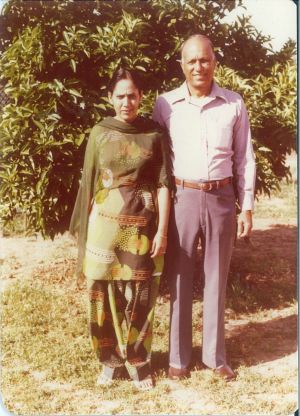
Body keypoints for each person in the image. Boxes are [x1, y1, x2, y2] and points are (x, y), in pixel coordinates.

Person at [153, 34, 256, 381]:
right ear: (181, 64)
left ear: (215, 62)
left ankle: (215, 357)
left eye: (205, 59)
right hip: (182, 198)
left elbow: (245, 157)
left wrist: (247, 206)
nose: (199, 66)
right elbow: (158, 160)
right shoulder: (165, 104)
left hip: (222, 199)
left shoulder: (233, 104)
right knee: (178, 278)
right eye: (192, 60)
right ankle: (178, 360)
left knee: (216, 278)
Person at [70, 68, 172, 390]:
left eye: (132, 95)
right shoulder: (99, 133)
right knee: (100, 293)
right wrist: (85, 234)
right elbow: (88, 185)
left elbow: (164, 185)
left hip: (141, 231)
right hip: (103, 230)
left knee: (142, 295)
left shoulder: (154, 134)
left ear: (141, 97)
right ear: (110, 98)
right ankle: (109, 360)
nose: (126, 102)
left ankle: (139, 361)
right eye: (120, 96)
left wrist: (163, 232)